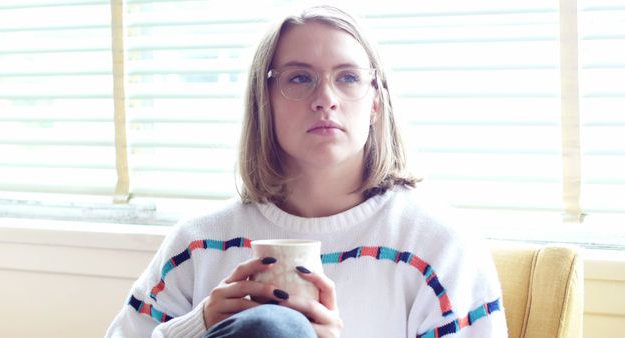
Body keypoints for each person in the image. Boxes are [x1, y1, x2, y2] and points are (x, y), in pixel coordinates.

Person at [106, 5, 507, 338]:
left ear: (375, 104)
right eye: (300, 78)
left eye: (348, 78)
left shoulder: (438, 245)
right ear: (264, 101)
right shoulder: (199, 243)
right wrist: (202, 323)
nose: (326, 99)